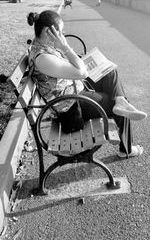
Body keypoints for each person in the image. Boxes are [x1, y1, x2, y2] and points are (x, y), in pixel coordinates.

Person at [27, 10, 147, 158]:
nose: (63, 36)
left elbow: (69, 68)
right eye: (61, 32)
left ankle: (121, 101)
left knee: (110, 72)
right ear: (48, 31)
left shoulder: (44, 47)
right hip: (71, 107)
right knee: (113, 104)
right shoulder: (43, 58)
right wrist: (65, 47)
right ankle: (126, 149)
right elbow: (82, 73)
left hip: (73, 90)